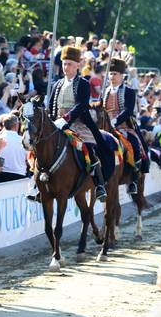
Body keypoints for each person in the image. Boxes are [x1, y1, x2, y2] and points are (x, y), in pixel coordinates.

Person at [35, 45, 108, 202]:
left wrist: (66, 119)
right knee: (40, 146)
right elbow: (51, 107)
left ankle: (99, 184)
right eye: (64, 63)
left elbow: (81, 105)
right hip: (57, 124)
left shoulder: (83, 83)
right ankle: (37, 185)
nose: (65, 67)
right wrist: (52, 120)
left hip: (79, 123)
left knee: (89, 148)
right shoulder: (57, 84)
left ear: (77, 65)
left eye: (69, 64)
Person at [102, 58, 147, 194]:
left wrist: (115, 120)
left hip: (123, 125)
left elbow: (128, 110)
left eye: (115, 74)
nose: (112, 76)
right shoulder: (105, 91)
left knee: (134, 144)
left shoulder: (128, 91)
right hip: (105, 126)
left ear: (122, 76)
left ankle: (133, 177)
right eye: (110, 74)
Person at [0, 114, 28, 183]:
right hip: (19, 175)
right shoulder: (22, 141)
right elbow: (28, 159)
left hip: (1, 176)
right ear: (16, 125)